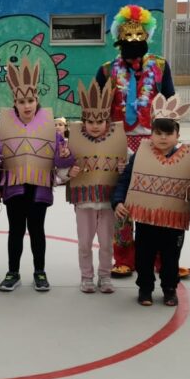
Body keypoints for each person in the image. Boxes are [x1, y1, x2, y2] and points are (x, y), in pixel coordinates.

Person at [95, 5, 175, 277]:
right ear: (118, 41)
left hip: (154, 142)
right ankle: (124, 258)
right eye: (128, 42)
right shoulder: (106, 71)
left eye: (139, 41)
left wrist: (170, 143)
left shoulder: (160, 67)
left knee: (156, 201)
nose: (134, 48)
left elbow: (170, 106)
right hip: (118, 143)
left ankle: (161, 259)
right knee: (121, 203)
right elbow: (96, 110)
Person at [0, 57, 74, 292]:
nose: (27, 106)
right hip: (14, 188)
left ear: (37, 100)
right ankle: (13, 272)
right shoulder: (5, 127)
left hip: (39, 189)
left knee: (37, 230)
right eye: (21, 101)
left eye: (30, 100)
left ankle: (39, 271)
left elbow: (60, 160)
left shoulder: (50, 128)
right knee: (16, 231)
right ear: (14, 103)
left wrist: (65, 154)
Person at [114, 94, 190, 306]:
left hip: (174, 222)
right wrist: (118, 201)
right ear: (151, 134)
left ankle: (169, 289)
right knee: (144, 256)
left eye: (168, 133)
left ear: (178, 135)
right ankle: (145, 289)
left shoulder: (187, 159)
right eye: (158, 133)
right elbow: (125, 179)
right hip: (147, 220)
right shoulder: (140, 156)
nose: (163, 138)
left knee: (171, 257)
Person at [62, 79, 128, 294]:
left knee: (107, 242)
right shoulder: (73, 141)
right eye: (90, 121)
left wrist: (124, 168)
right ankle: (86, 276)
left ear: (107, 121)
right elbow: (61, 168)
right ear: (84, 121)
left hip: (108, 202)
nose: (95, 125)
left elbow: (130, 167)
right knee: (84, 242)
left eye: (100, 121)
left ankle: (105, 276)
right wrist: (68, 172)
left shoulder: (118, 140)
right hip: (84, 202)